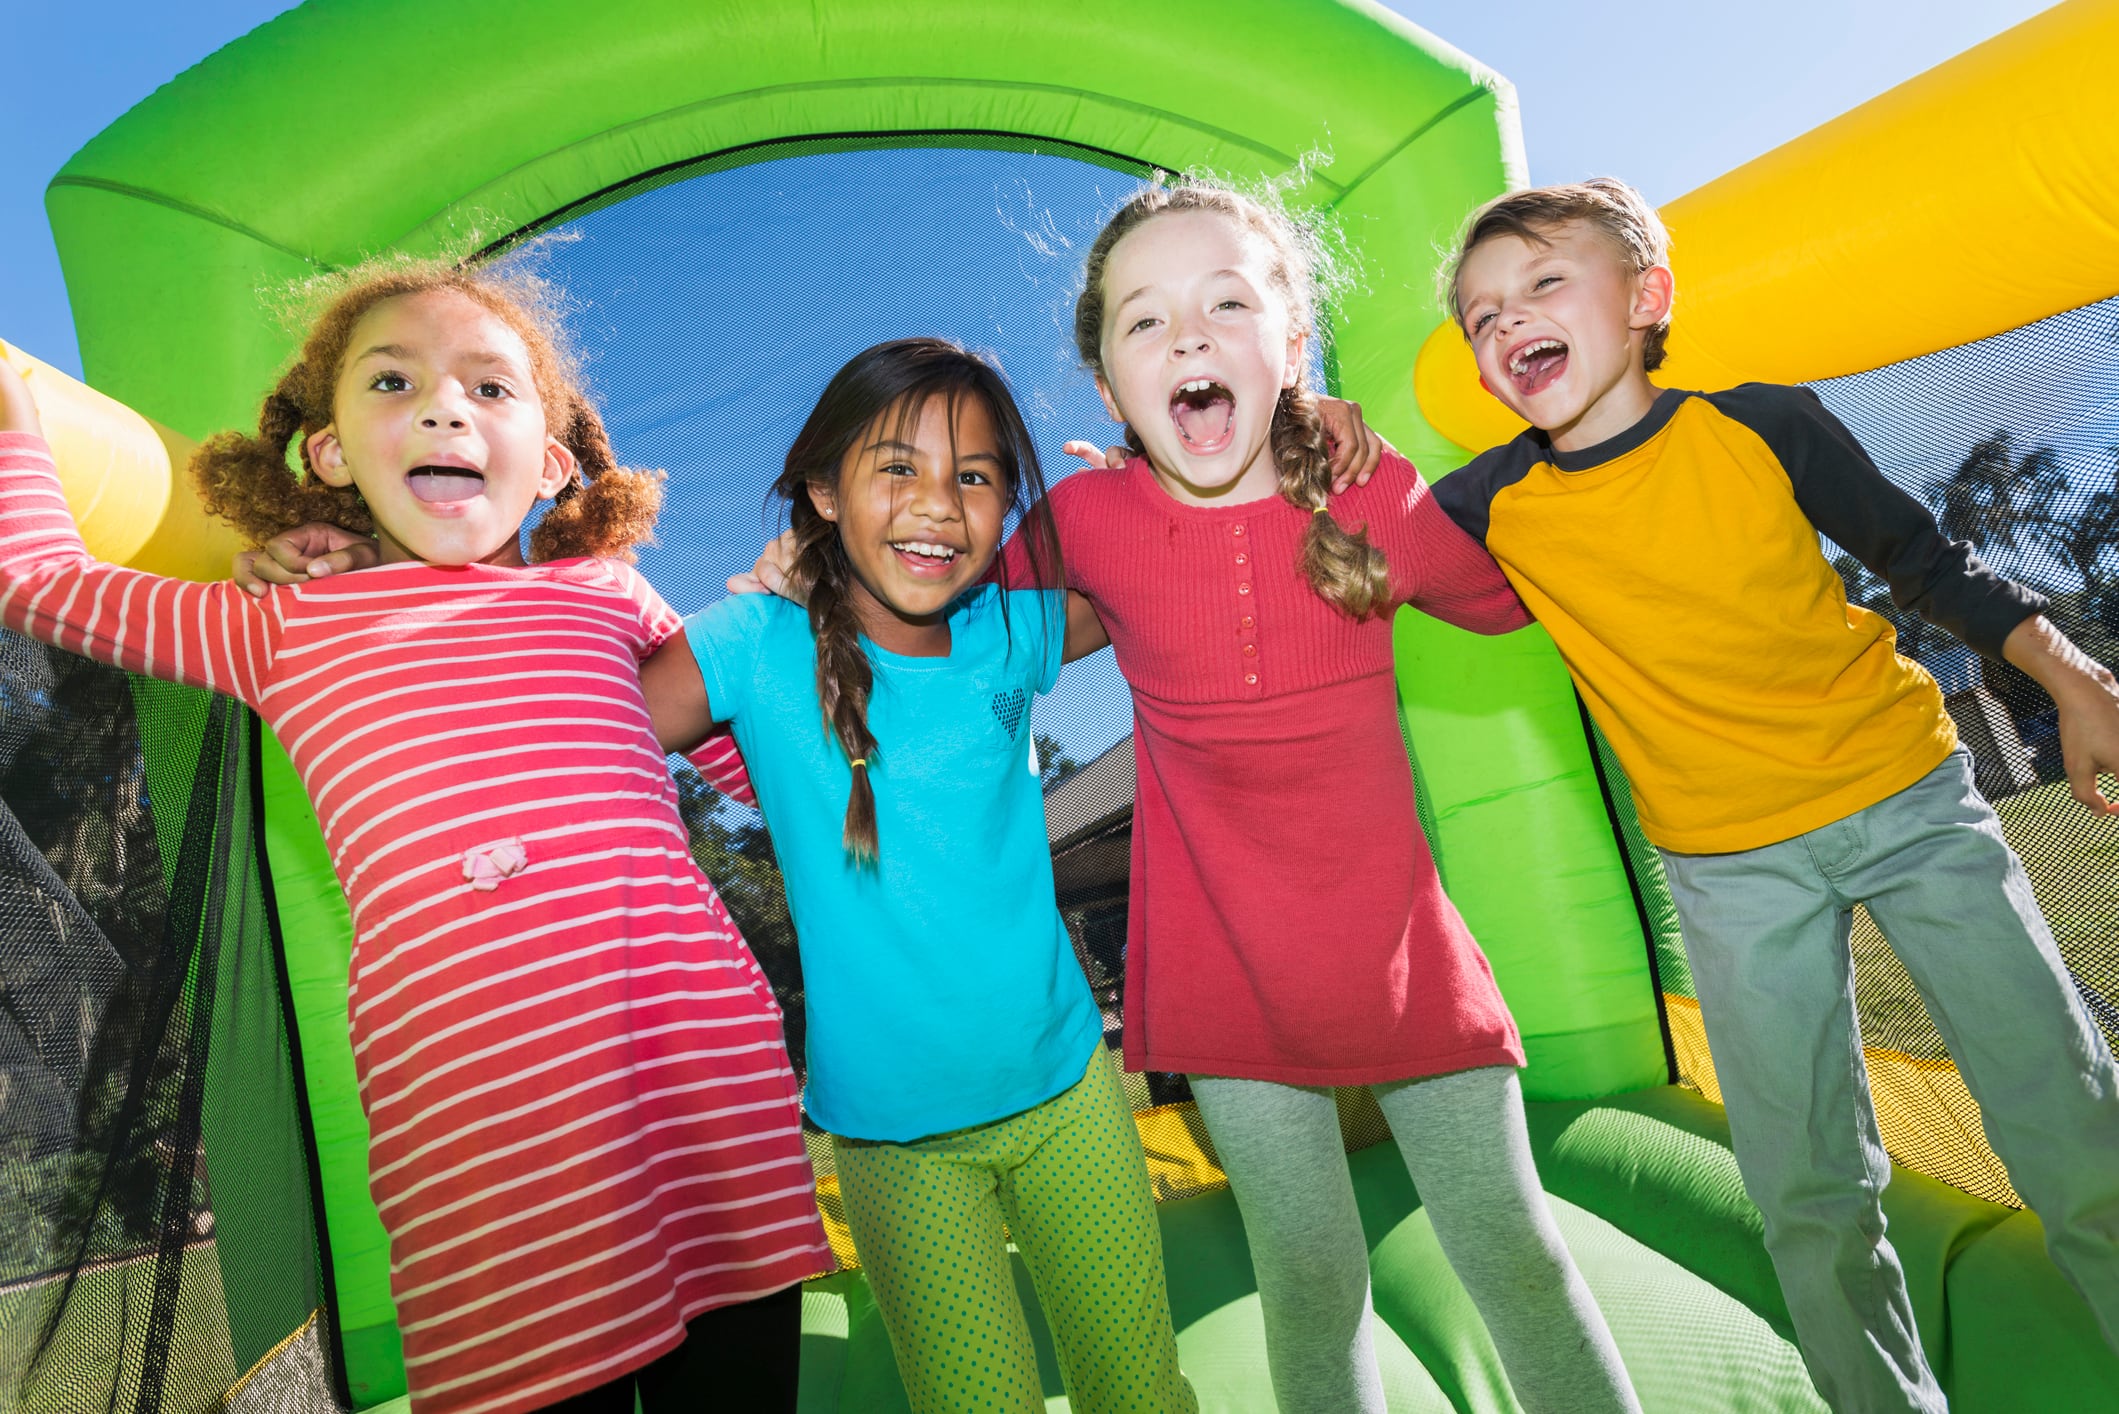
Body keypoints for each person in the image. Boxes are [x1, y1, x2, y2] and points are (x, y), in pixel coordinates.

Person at [0, 262, 830, 1414]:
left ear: (551, 461)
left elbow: (774, 776)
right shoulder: (285, 622)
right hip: (482, 1138)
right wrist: (15, 412)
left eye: (490, 387)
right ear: (331, 449)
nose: (445, 407)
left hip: (704, 1086)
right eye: (395, 381)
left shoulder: (606, 596)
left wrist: (784, 638)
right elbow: (43, 583)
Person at [1436, 176, 2119, 1412]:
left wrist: (2073, 679)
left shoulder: (1759, 426)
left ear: (1645, 299)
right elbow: (1340, 557)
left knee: (2064, 1116)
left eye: (1542, 283)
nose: (1507, 321)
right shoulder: (1489, 507)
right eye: (1481, 317)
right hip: (1726, 862)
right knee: (1806, 1189)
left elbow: (1925, 561)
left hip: (1903, 799)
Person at [1012, 178, 1640, 1414]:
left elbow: (1515, 590)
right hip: (1225, 971)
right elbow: (964, 617)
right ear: (1107, 387)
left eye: (1226, 304)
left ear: (1290, 345)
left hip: (1402, 955)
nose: (1186, 337)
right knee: (1308, 1277)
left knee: (1516, 1250)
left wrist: (1442, 462)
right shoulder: (1085, 517)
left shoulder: (1369, 495)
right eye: (1144, 323)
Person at [638, 337, 1195, 1414]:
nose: (937, 504)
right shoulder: (753, 640)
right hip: (896, 1143)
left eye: (974, 476)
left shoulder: (1009, 633)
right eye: (896, 467)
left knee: (1141, 1390)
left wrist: (1152, 467)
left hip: (1068, 1090)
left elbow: (1151, 571)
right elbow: (576, 716)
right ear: (819, 489)